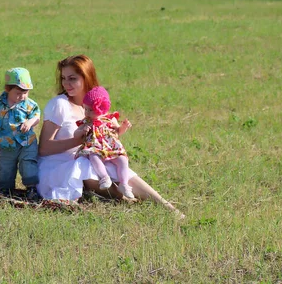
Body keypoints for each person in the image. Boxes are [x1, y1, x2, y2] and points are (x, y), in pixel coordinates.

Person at [37, 54, 184, 217]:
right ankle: (132, 202)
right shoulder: (59, 104)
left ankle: (168, 207)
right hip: (57, 165)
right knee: (85, 166)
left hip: (86, 157)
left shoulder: (94, 105)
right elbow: (44, 148)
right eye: (64, 78)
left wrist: (111, 135)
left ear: (87, 78)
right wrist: (78, 140)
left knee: (119, 165)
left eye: (72, 78)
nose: (66, 83)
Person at [0, 67, 41, 201]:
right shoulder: (0, 103)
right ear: (8, 89)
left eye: (26, 92)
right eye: (18, 93)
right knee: (4, 167)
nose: (22, 96)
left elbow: (36, 116)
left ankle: (32, 188)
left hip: (26, 143)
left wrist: (29, 123)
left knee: (28, 164)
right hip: (6, 144)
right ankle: (5, 189)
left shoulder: (29, 104)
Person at [75, 86, 135, 199]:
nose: (87, 112)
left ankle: (124, 184)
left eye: (90, 110)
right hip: (95, 146)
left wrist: (124, 127)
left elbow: (118, 132)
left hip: (111, 147)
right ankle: (104, 177)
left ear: (101, 109)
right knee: (94, 157)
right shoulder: (87, 121)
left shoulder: (110, 119)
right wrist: (82, 131)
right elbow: (75, 134)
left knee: (123, 160)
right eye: (85, 109)